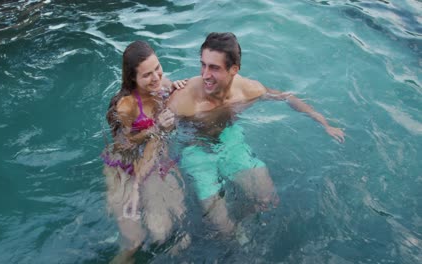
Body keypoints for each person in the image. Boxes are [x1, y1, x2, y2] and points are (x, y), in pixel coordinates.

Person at [167, 32, 345, 234]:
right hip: (195, 149)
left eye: (214, 68)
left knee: (268, 199)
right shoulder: (183, 101)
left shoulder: (246, 90)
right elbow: (153, 132)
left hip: (228, 138)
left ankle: (244, 219)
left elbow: (286, 97)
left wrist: (324, 123)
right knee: (222, 227)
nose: (205, 74)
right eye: (203, 65)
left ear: (234, 69)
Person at [103, 40, 188, 262]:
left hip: (155, 159)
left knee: (167, 231)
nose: (157, 78)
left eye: (158, 68)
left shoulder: (161, 84)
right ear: (133, 78)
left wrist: (175, 87)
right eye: (147, 74)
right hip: (122, 165)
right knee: (134, 242)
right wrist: (156, 127)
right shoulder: (126, 105)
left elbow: (169, 88)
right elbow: (123, 144)